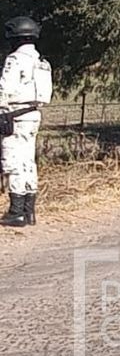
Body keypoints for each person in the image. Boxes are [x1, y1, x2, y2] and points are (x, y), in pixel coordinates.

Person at [0, 17, 52, 228]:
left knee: (12, 161)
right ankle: (29, 211)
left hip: (15, 114)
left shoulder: (15, 59)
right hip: (33, 114)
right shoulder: (42, 62)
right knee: (28, 162)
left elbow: (5, 88)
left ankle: (16, 212)